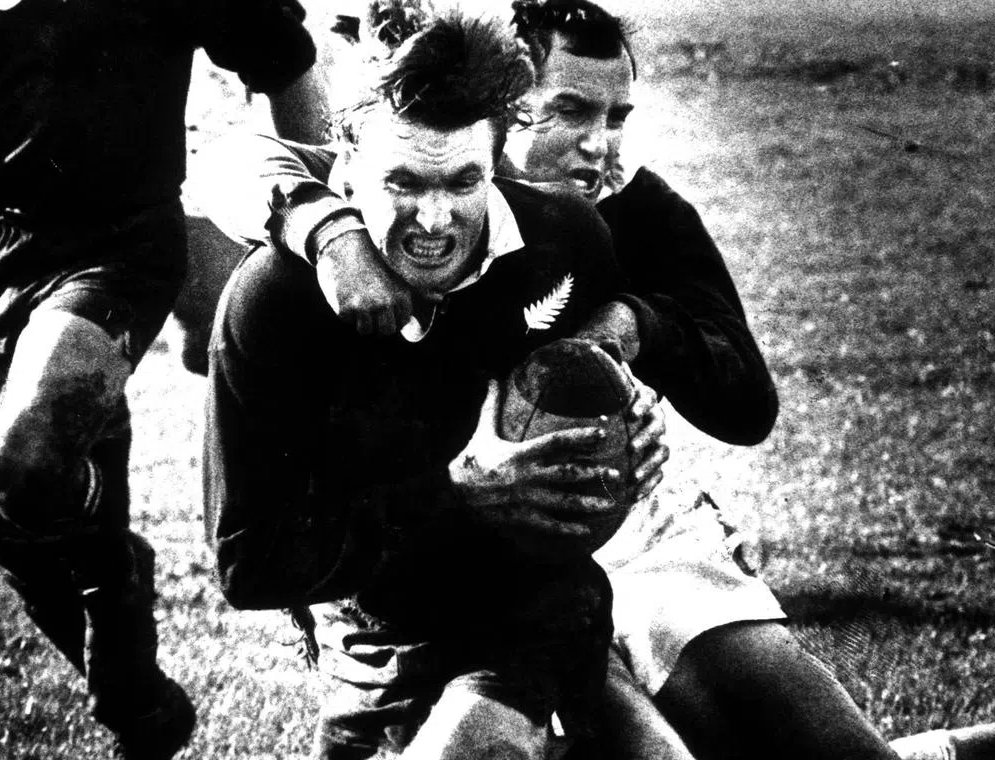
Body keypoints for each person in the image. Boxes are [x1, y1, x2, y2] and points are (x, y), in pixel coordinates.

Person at [198, 1, 904, 757]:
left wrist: (633, 350)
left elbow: (742, 400)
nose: (598, 145)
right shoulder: (333, 236)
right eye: (567, 109)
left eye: (617, 115)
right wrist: (327, 229)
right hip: (428, 581)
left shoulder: (607, 220)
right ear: (514, 108)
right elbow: (241, 163)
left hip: (605, 540)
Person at [201, 12, 672, 759]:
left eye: (464, 181)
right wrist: (455, 491)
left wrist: (631, 425)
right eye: (403, 182)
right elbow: (247, 563)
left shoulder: (562, 240)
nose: (435, 218)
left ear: (498, 164)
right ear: (346, 169)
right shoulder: (273, 300)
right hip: (380, 635)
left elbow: (590, 379)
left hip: (540, 607)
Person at [0, 1, 318, 757]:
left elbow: (280, 56)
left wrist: (317, 207)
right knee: (4, 528)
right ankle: (141, 705)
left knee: (27, 466)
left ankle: (112, 566)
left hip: (115, 244)